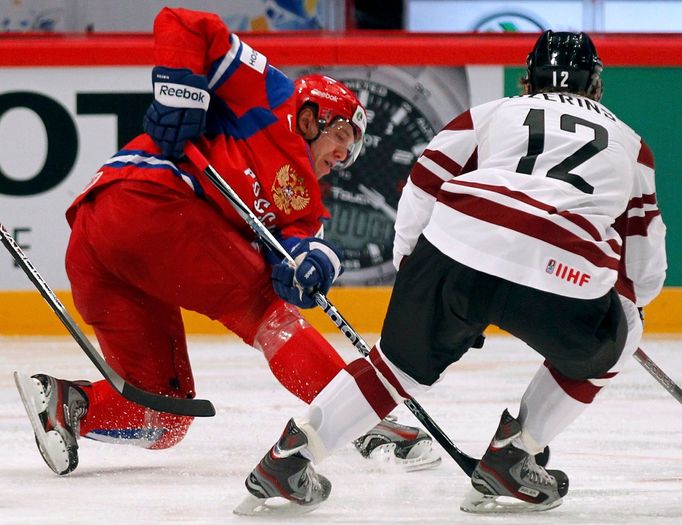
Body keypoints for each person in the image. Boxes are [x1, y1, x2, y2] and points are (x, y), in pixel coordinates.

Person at [239, 30, 667, 516]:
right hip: (561, 272)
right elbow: (645, 265)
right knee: (627, 323)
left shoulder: (494, 112)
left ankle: (290, 457)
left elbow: (425, 178)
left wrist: (413, 269)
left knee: (393, 371)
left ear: (529, 78)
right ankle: (516, 452)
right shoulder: (633, 146)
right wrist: (616, 323)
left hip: (458, 247)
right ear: (596, 85)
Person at [13, 7, 440, 477]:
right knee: (266, 314)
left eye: (352, 147)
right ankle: (363, 419)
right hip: (149, 203)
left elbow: (308, 250)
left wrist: (314, 266)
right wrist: (181, 91)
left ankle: (67, 405)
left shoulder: (306, 201)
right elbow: (185, 23)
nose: (343, 154)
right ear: (312, 114)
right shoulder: (273, 92)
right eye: (341, 133)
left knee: (165, 415)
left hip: (103, 245)